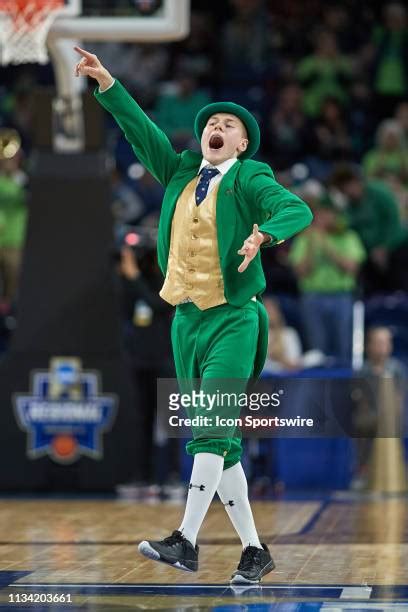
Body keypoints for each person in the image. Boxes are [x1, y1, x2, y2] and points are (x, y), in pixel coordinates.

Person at [74, 46, 312, 584]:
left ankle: (185, 539)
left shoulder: (251, 177)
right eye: (212, 122)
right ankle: (254, 551)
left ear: (242, 142)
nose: (218, 127)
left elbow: (297, 209)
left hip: (233, 318)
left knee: (207, 429)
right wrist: (108, 81)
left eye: (229, 124)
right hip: (185, 319)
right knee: (220, 442)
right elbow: (140, 130)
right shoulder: (180, 171)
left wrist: (264, 232)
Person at [289, 196, 365, 363]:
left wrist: (325, 243)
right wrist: (311, 244)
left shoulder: (348, 237)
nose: (324, 218)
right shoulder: (304, 239)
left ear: (336, 216)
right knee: (317, 350)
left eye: (328, 214)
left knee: (344, 347)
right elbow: (301, 272)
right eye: (320, 214)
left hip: (341, 296)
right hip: (312, 297)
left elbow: (350, 268)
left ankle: (346, 388)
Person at [329, 163, 408, 294]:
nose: (349, 192)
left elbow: (392, 221)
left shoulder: (379, 192)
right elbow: (352, 229)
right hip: (370, 253)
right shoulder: (348, 206)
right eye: (344, 190)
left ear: (357, 181)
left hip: (397, 247)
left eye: (349, 186)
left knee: (399, 286)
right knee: (373, 288)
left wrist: (384, 247)